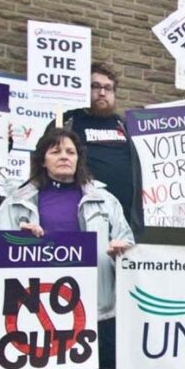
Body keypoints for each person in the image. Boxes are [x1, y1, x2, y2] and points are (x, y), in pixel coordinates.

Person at [0, 128, 133, 369]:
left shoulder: (103, 200)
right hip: (31, 310)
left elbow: (129, 243)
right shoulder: (17, 202)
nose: (64, 156)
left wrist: (121, 251)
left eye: (70, 151)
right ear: (42, 158)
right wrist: (20, 240)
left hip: (84, 307)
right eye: (56, 151)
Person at [58, 62, 144, 240]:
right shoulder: (67, 122)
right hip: (80, 218)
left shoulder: (125, 125)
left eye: (108, 88)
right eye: (95, 86)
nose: (102, 92)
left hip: (123, 221)